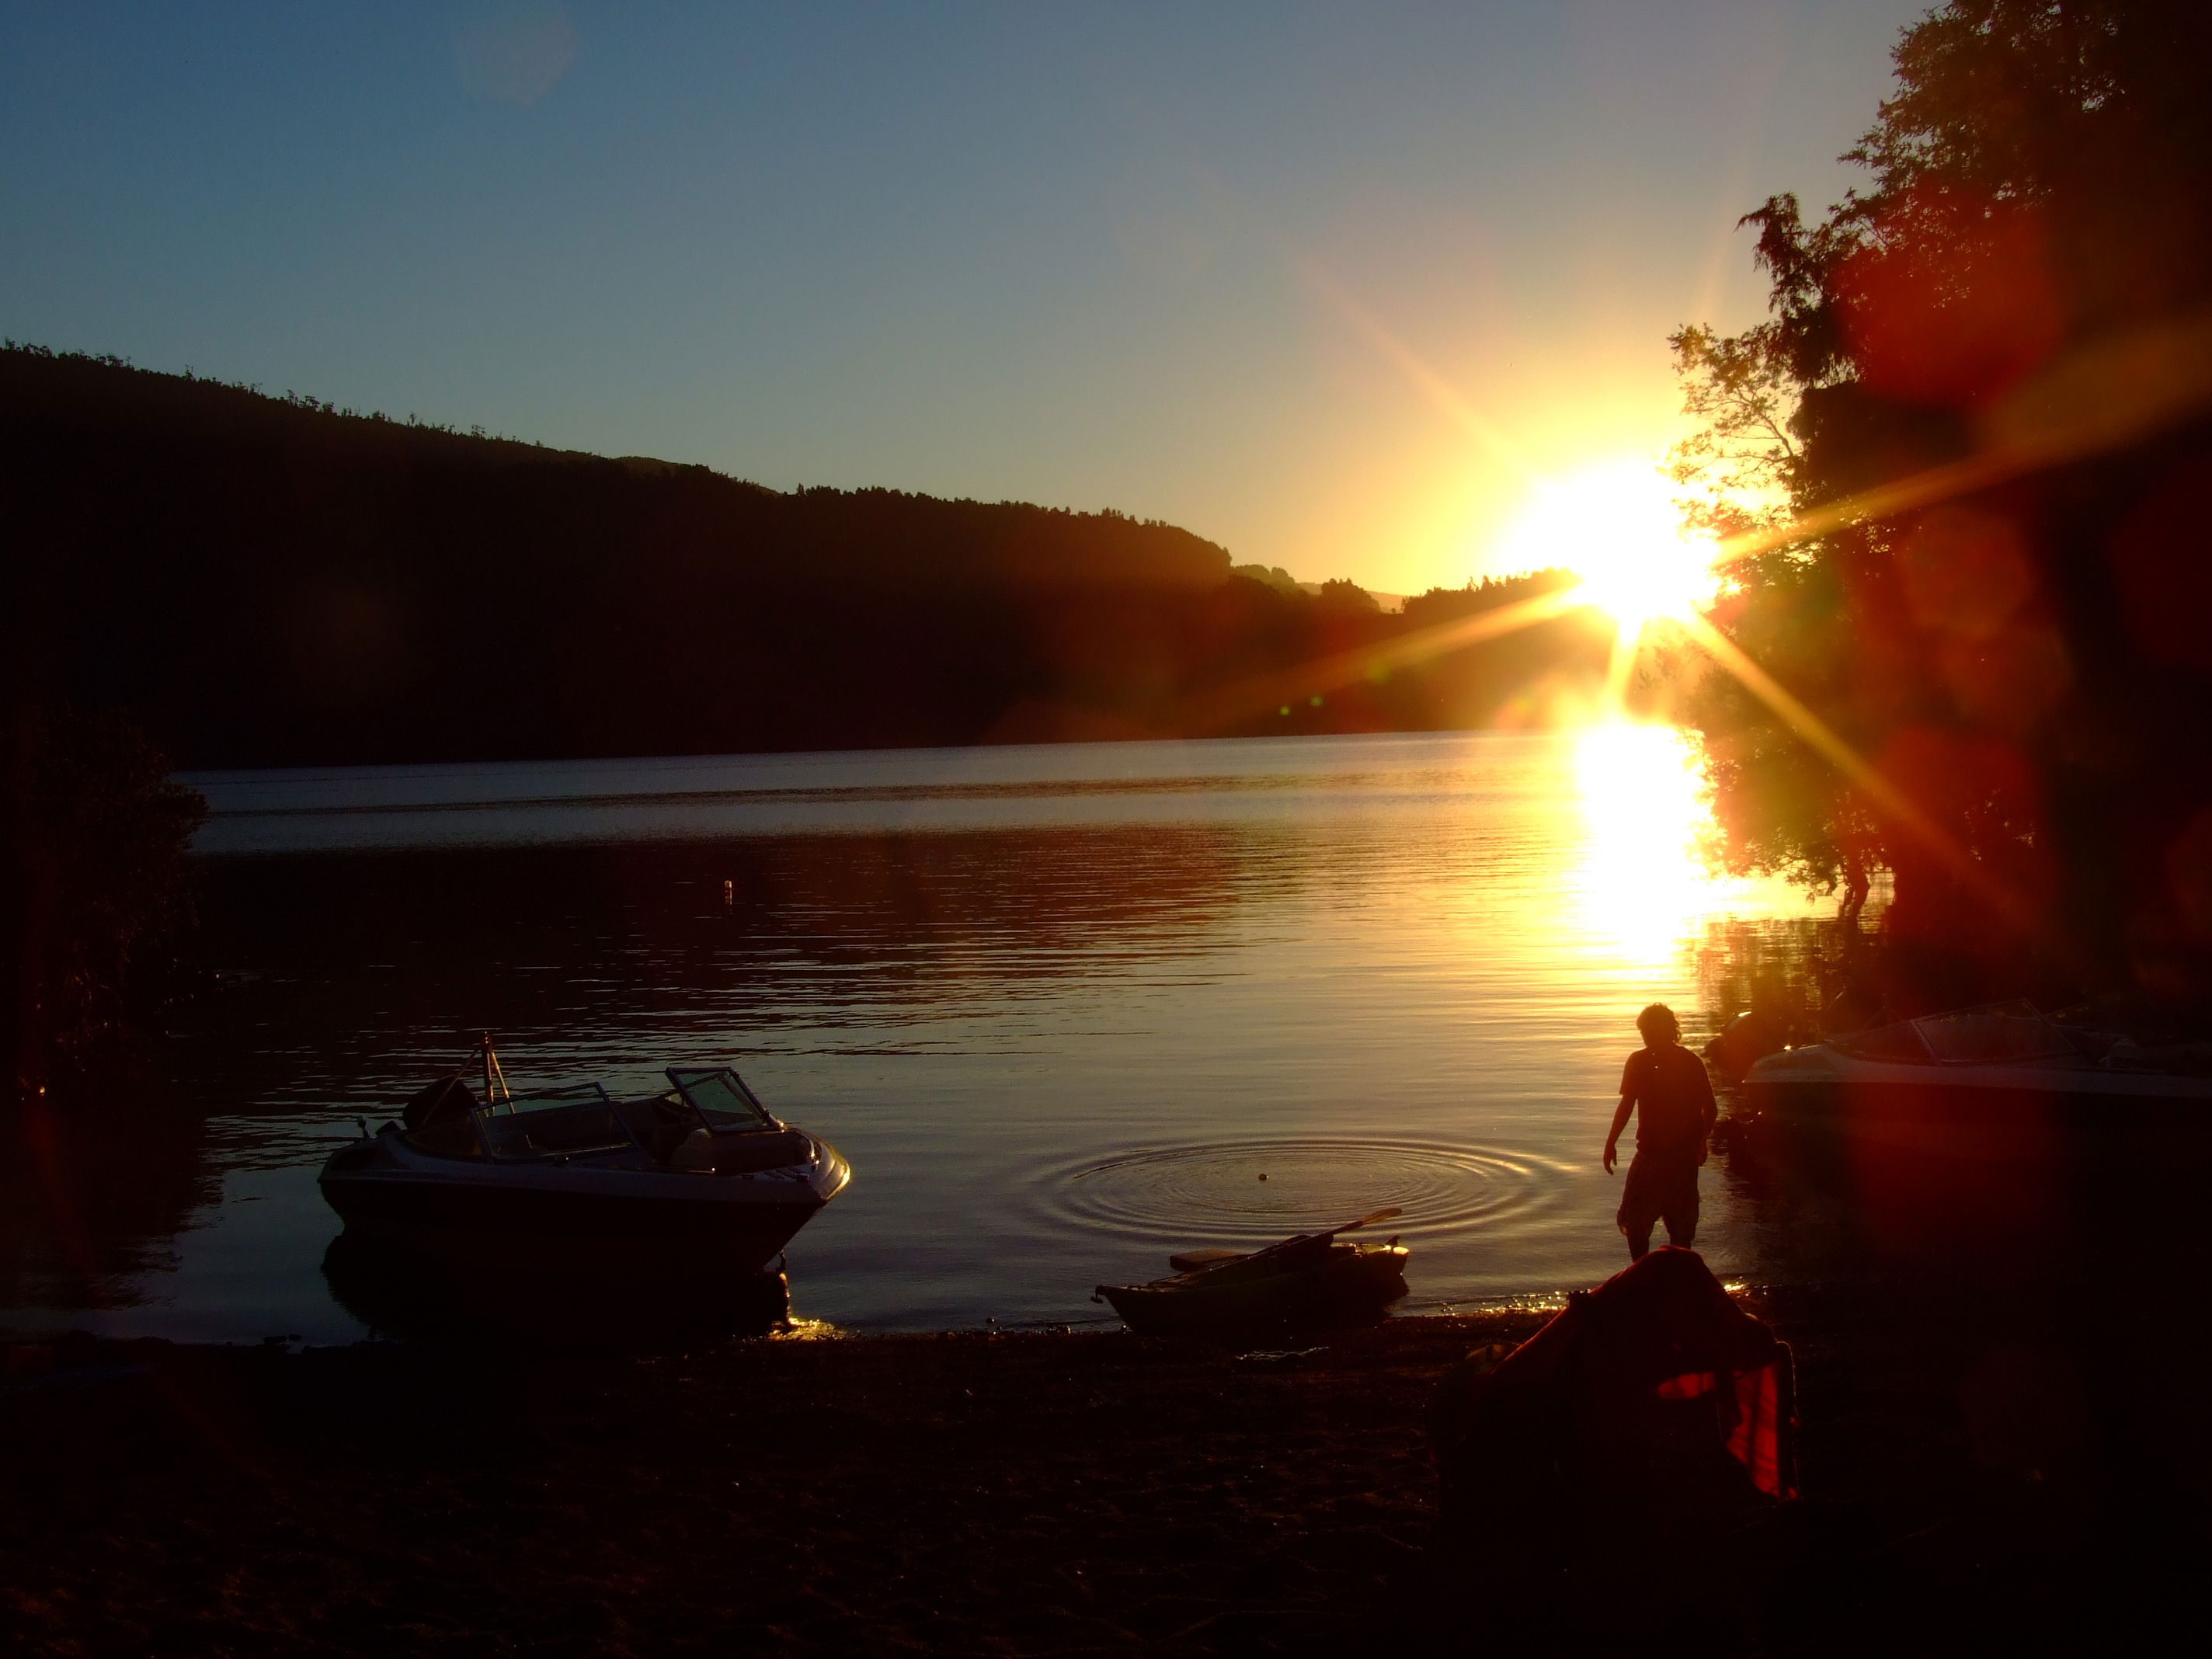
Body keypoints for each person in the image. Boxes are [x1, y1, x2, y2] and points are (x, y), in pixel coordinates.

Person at [1602, 1003, 1717, 1261]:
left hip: (1663, 1158)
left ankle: (1657, 1278)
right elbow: (1710, 1109)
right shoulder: (1677, 1061)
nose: (1645, 1037)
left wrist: (1701, 1140)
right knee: (1660, 1227)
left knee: (1654, 1227)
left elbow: (1710, 1108)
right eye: (1643, 1032)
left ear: (1666, 1030)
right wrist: (1610, 1142)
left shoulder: (1663, 1062)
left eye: (1648, 1031)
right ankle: (1652, 1275)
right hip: (1670, 1157)